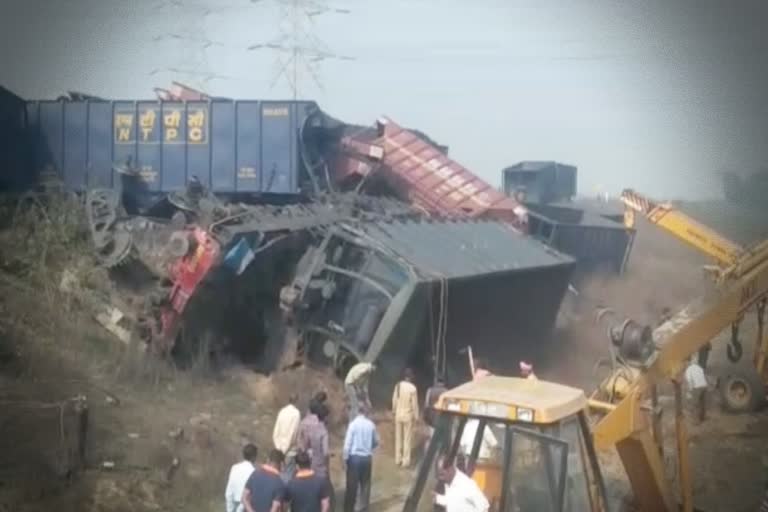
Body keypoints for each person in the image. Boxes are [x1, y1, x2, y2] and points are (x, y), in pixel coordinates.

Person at [343, 404, 379, 512]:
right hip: (366, 458)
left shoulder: (353, 425)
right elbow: (376, 442)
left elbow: (347, 444)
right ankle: (363, 508)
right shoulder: (371, 425)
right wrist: (369, 447)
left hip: (354, 458)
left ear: (359, 412)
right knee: (365, 485)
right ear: (367, 413)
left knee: (352, 486)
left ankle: (349, 508)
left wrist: (345, 458)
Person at [392, 368, 420, 468]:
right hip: (408, 416)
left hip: (398, 415)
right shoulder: (413, 388)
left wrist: (394, 410)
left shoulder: (398, 385)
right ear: (410, 377)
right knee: (407, 439)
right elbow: (414, 404)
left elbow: (394, 399)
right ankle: (405, 461)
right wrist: (416, 417)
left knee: (398, 437)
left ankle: (397, 459)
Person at [274, 393, 301, 478]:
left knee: (279, 474)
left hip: (278, 448)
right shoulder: (296, 413)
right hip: (289, 451)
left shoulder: (282, 411)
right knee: (287, 476)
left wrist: (278, 447)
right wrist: (285, 449)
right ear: (296, 401)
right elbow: (292, 433)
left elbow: (276, 431)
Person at [225, 443, 258, 512]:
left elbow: (229, 492)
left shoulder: (234, 468)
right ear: (254, 457)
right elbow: (249, 496)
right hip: (246, 507)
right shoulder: (254, 472)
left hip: (235, 504)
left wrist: (230, 509)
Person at [684, 357, 708, 423]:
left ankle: (696, 421)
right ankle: (703, 417)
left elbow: (690, 382)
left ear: (687, 362)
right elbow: (703, 376)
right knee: (702, 403)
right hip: (704, 386)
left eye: (685, 363)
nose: (685, 364)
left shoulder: (688, 370)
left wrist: (689, 392)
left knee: (694, 405)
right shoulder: (699, 367)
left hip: (697, 387)